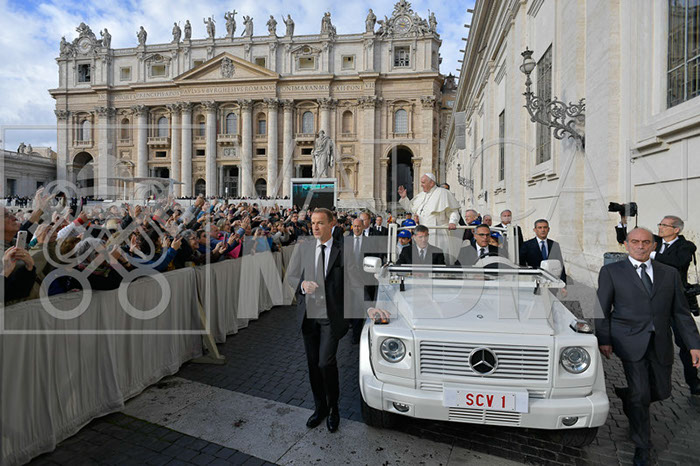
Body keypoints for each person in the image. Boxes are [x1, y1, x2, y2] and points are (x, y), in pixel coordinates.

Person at [596, 227, 700, 465]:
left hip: (660, 341)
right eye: (635, 242)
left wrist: (694, 344)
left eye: (645, 242)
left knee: (663, 391)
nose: (640, 246)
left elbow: (681, 313)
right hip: (628, 341)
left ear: (654, 245)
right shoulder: (611, 271)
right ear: (626, 245)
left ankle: (629, 398)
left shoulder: (669, 273)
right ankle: (643, 445)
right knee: (641, 393)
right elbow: (601, 309)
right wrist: (604, 339)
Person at [287, 208, 346, 433]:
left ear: (331, 224)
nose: (315, 227)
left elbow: (354, 283)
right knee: (313, 366)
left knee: (325, 363)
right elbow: (291, 276)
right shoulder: (304, 248)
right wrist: (302, 285)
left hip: (331, 318)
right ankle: (319, 408)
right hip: (309, 318)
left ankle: (333, 409)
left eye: (320, 223)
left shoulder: (344, 250)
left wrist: (367, 308)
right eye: (313, 222)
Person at [651, 216, 699, 394]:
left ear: (676, 229)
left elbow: (678, 262)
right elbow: (626, 240)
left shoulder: (686, 246)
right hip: (654, 301)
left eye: (664, 225)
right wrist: (623, 221)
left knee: (685, 342)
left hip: (676, 302)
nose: (660, 227)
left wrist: (653, 255)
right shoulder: (653, 241)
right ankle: (653, 382)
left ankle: (693, 381)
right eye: (660, 224)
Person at [398, 173, 460, 256]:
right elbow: (410, 208)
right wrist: (404, 198)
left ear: (431, 183)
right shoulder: (421, 195)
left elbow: (453, 211)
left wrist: (452, 222)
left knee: (438, 257)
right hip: (421, 233)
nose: (421, 185)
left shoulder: (443, 193)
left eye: (423, 182)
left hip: (438, 232)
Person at [346, 218, 377, 344]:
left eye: (359, 226)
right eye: (354, 226)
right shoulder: (345, 241)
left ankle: (357, 335)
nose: (357, 228)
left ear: (363, 227)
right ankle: (352, 327)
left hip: (365, 279)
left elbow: (375, 257)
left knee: (360, 307)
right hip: (348, 280)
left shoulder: (370, 242)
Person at [520, 219, 567, 288]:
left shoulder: (554, 245)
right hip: (534, 283)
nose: (543, 230)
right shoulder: (526, 245)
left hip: (552, 283)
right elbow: (521, 265)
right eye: (540, 228)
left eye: (545, 227)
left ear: (548, 229)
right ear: (535, 230)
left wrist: (563, 284)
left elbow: (560, 265)